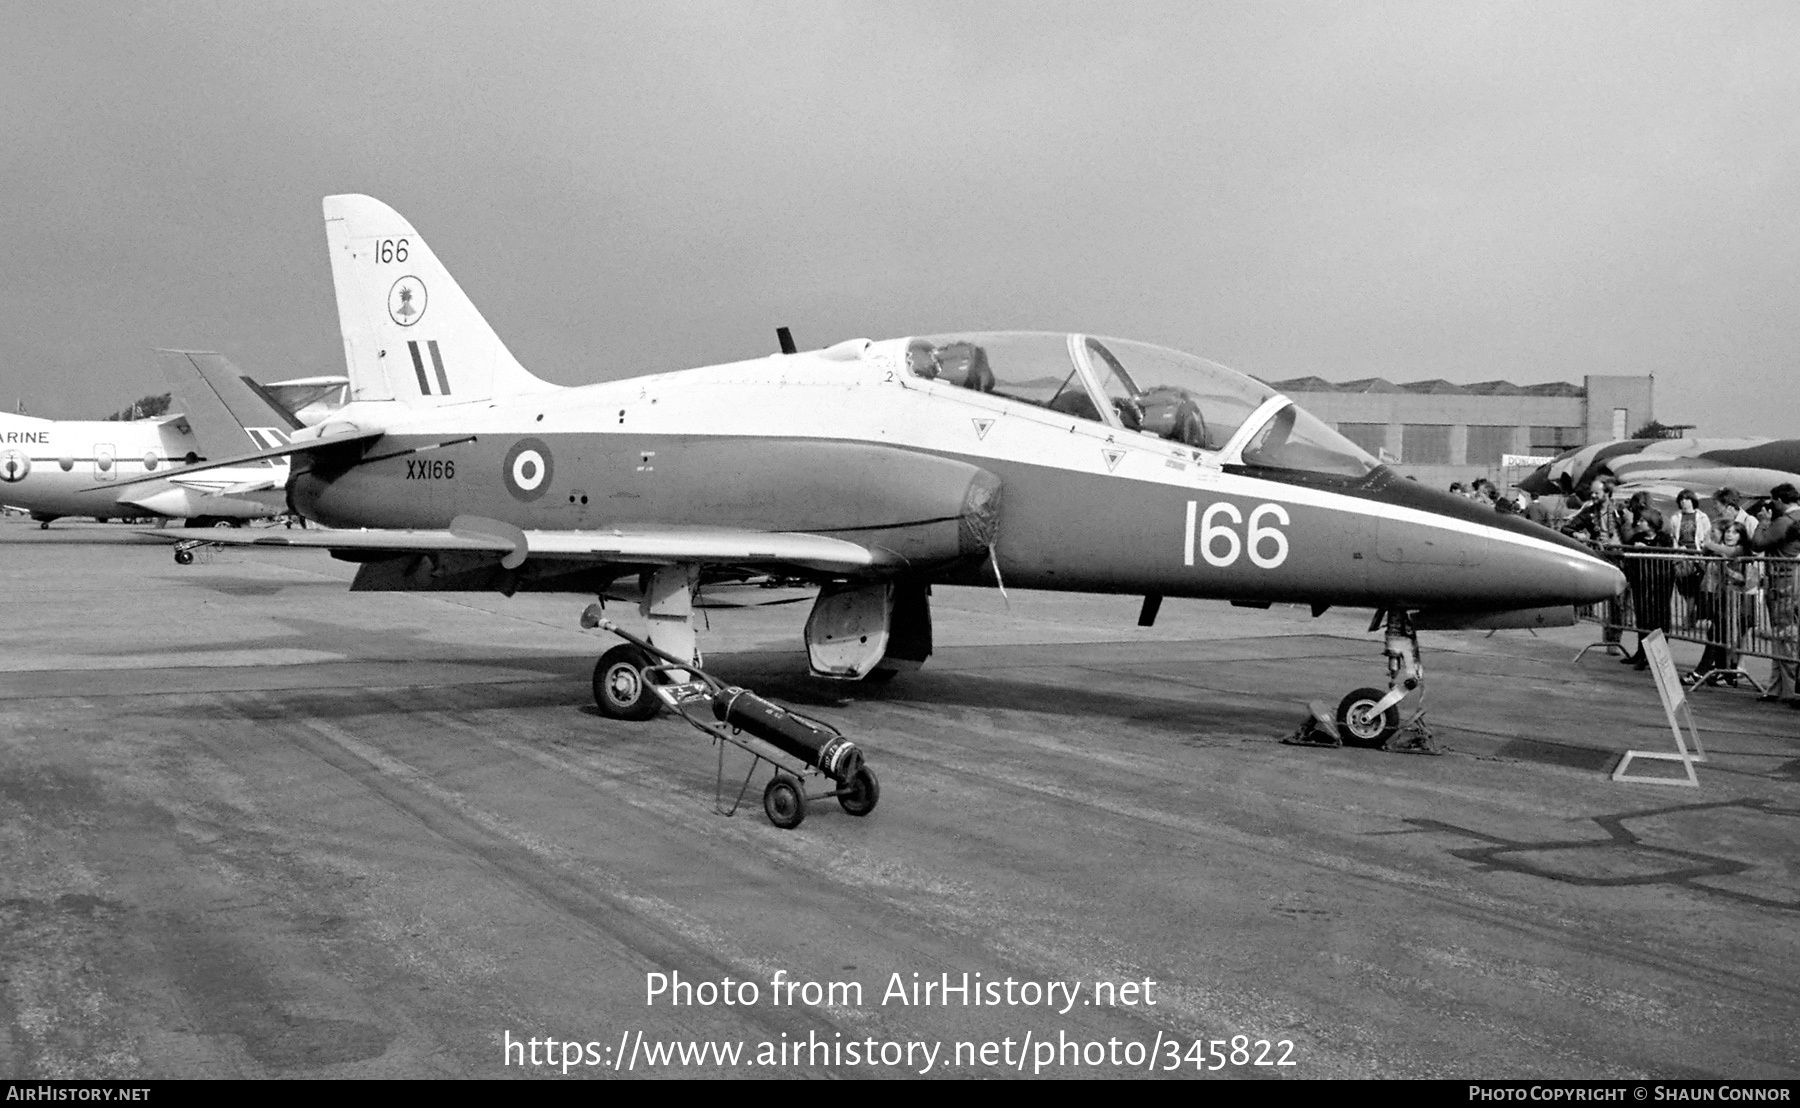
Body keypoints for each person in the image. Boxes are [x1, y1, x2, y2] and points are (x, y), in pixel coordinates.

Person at [1747, 483, 1800, 705]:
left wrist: (1763, 522)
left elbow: (1758, 543)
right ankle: (1778, 686)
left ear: (1779, 500)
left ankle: (1787, 688)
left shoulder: (1784, 522)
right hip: (1792, 581)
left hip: (1783, 583)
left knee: (1785, 636)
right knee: (1786, 636)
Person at [1618, 491, 1672, 670]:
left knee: (1659, 618)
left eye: (1641, 521)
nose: (1638, 523)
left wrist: (1647, 549)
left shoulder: (1664, 538)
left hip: (1660, 581)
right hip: (1641, 581)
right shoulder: (1637, 538)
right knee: (1642, 617)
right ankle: (1641, 652)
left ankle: (1656, 654)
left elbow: (1665, 553)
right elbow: (1628, 547)